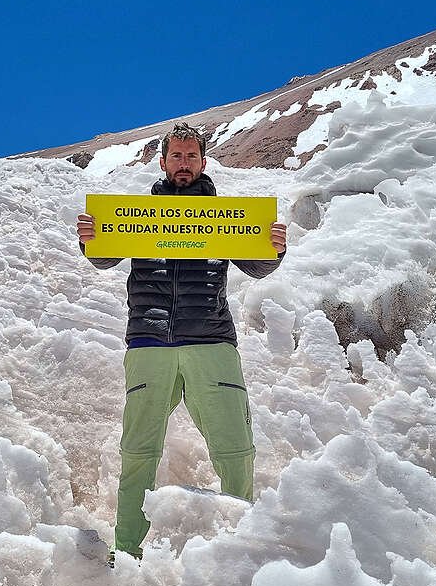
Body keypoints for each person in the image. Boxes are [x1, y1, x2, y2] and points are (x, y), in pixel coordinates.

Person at [76, 122, 287, 560]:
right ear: (163, 162)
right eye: (177, 156)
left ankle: (240, 551)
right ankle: (128, 551)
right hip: (149, 341)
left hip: (211, 340)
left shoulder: (228, 220)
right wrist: (91, 238)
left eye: (191, 156)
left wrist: (274, 247)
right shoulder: (136, 216)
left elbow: (258, 266)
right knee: (138, 450)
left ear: (203, 162)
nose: (184, 163)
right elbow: (103, 257)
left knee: (234, 448)